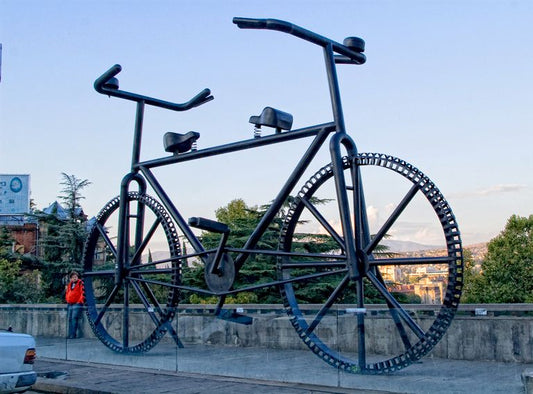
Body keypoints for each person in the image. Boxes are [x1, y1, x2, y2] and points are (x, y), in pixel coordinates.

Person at [65, 271, 84, 339]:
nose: (74, 278)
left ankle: (73, 334)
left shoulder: (80, 283)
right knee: (70, 318)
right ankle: (70, 334)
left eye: (75, 277)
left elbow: (82, 293)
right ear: (71, 278)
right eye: (73, 277)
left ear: (77, 277)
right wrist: (67, 299)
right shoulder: (70, 284)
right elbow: (67, 292)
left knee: (74, 318)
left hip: (77, 303)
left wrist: (79, 301)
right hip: (70, 303)